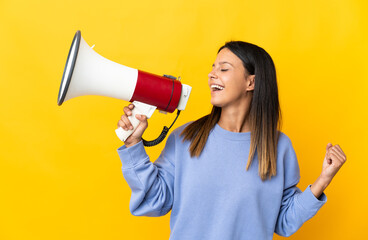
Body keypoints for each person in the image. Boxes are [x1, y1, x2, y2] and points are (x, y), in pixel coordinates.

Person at [116, 41, 347, 240]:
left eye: (224, 69)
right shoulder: (185, 138)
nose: (211, 74)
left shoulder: (278, 147)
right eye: (213, 68)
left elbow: (284, 221)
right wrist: (133, 146)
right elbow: (155, 201)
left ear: (251, 83)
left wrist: (323, 179)